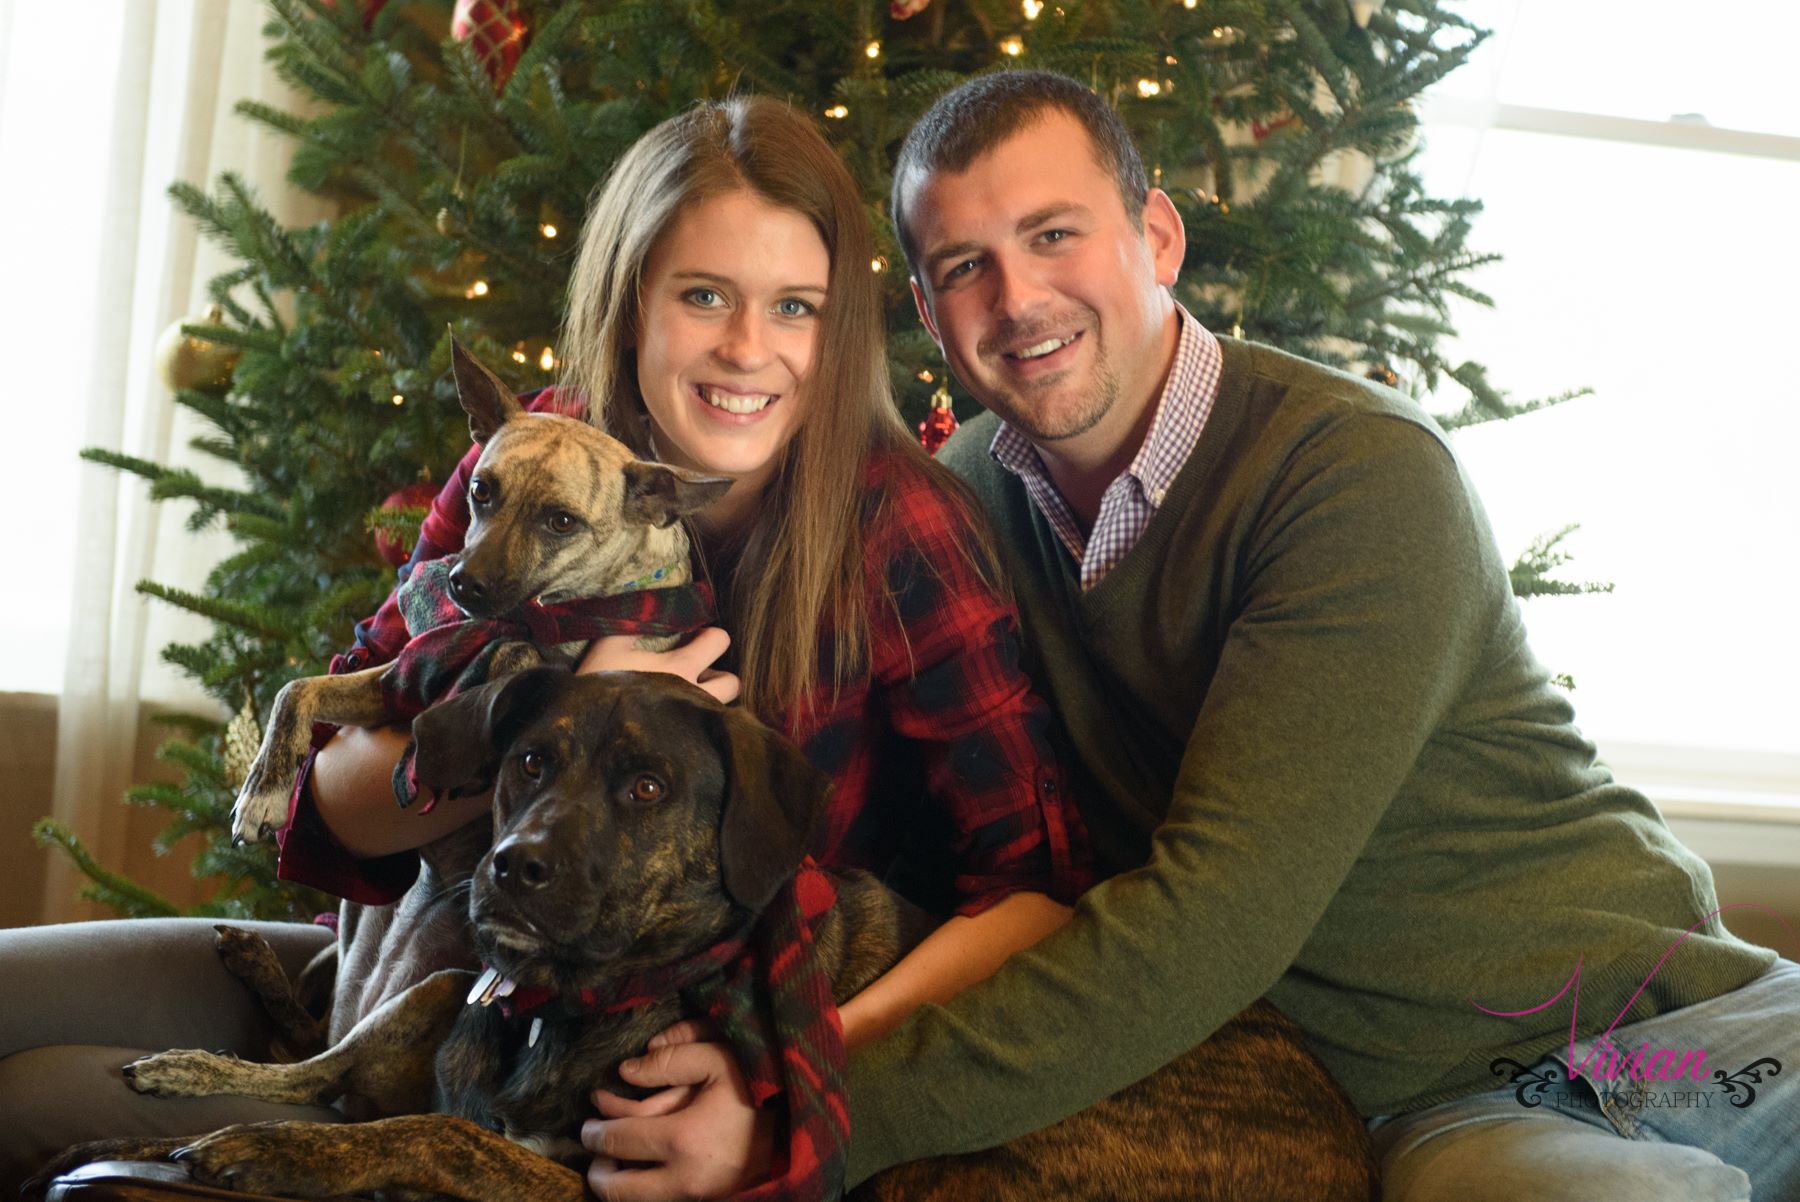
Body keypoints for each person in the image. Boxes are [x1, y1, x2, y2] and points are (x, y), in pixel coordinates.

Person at [603, 71, 1800, 1202]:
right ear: (925, 311)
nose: (1019, 300)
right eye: (966, 265)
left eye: (1055, 234)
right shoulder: (952, 512)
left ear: (1158, 239)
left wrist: (807, 1111)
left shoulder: (1353, 476)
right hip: (1452, 1110)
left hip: (1662, 1027)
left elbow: (1210, 916)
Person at [0, 97, 1085, 1194]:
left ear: (836, 327)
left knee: (38, 1105)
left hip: (599, 1056)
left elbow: (1031, 895)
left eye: (794, 307)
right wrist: (552, 709)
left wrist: (789, 1072)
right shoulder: (531, 457)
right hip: (410, 972)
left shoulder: (898, 529)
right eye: (703, 296)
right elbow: (329, 795)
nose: (748, 350)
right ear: (630, 306)